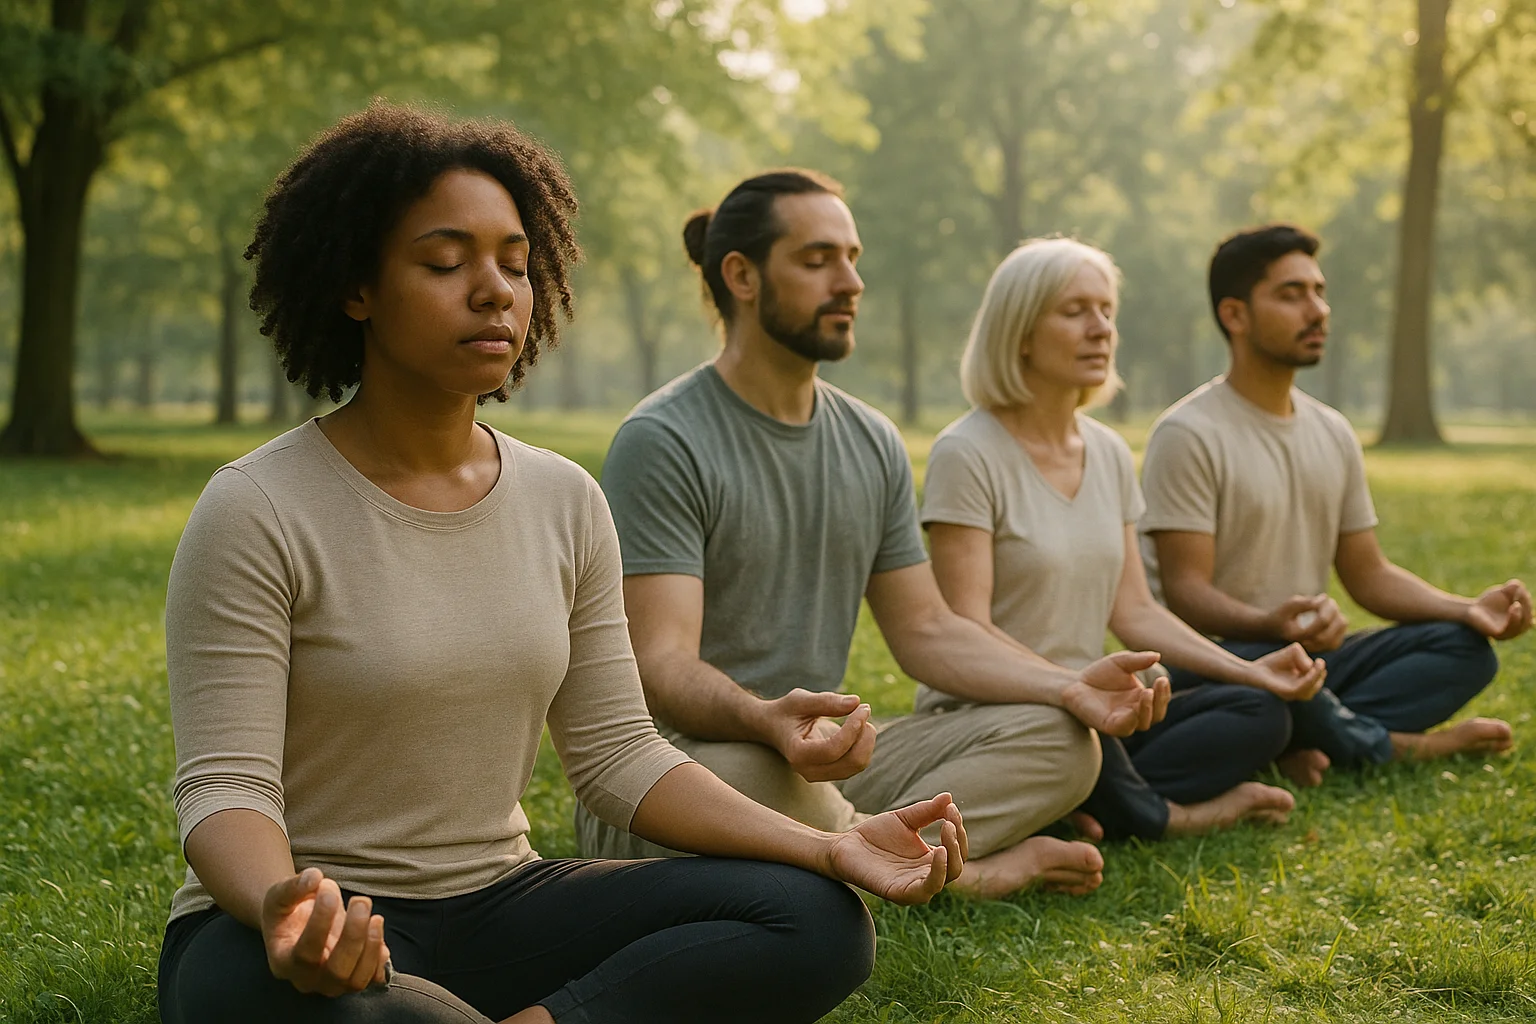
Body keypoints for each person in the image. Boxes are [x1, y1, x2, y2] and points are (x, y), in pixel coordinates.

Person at [156, 105, 971, 1024]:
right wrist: (286, 909)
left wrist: (830, 847)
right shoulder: (256, 508)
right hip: (293, 938)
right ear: (357, 287)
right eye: (444, 261)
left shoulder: (562, 499)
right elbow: (226, 787)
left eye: (514, 261)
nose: (495, 289)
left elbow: (620, 756)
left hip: (499, 908)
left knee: (816, 920)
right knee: (303, 1003)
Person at [576, 169, 1170, 899]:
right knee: (746, 771)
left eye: (852, 258)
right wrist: (765, 721)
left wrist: (1071, 685)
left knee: (1062, 742)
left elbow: (926, 629)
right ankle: (952, 869)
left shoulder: (872, 440)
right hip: (690, 768)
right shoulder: (664, 438)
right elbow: (661, 666)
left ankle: (859, 849)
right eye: (818, 259)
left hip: (818, 762)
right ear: (742, 276)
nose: (851, 281)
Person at [923, 237, 1324, 844]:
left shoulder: (1108, 452)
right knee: (1069, 734)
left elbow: (1136, 611)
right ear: (1020, 332)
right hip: (1003, 711)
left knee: (1259, 713)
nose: (1100, 328)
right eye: (1074, 311)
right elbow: (967, 626)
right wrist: (1071, 689)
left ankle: (1076, 806)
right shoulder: (966, 453)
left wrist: (1249, 670)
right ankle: (1162, 814)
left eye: (1107, 311)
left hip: (1095, 703)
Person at [1140, 224, 1531, 786]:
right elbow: (1186, 593)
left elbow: (1367, 574)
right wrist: (1269, 623)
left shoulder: (1332, 431)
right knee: (1267, 695)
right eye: (1291, 294)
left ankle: (1301, 738)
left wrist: (1467, 609)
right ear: (1235, 315)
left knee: (1465, 650)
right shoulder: (1187, 434)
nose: (1318, 310)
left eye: (1318, 292)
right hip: (1218, 664)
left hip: (1309, 660)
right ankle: (1386, 746)